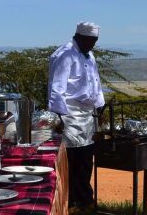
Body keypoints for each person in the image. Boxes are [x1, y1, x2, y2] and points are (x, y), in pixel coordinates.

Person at [47, 22, 105, 211]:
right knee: (71, 159)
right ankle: (70, 200)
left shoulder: (89, 55)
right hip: (69, 114)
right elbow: (57, 88)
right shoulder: (64, 54)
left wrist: (100, 106)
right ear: (80, 37)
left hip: (87, 115)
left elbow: (95, 81)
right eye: (90, 41)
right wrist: (59, 118)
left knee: (86, 158)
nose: (93, 45)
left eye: (95, 41)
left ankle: (85, 198)